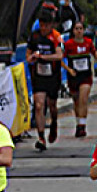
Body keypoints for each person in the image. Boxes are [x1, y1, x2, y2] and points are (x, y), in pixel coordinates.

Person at [27, 9, 64, 151]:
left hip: (53, 76)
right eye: (42, 25)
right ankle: (41, 137)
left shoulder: (56, 37)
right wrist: (32, 58)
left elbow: (59, 56)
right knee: (39, 105)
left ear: (51, 25)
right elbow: (28, 55)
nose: (44, 28)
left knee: (52, 105)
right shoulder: (34, 36)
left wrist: (43, 57)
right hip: (39, 75)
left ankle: (54, 122)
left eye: (46, 26)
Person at [63, 21, 97, 137]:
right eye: (76, 29)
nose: (79, 31)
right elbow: (60, 59)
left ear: (84, 30)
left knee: (83, 99)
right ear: (73, 31)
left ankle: (82, 126)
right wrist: (69, 70)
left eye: (81, 28)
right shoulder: (68, 44)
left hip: (86, 75)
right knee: (76, 101)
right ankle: (78, 123)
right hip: (74, 76)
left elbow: (95, 54)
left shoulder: (88, 42)